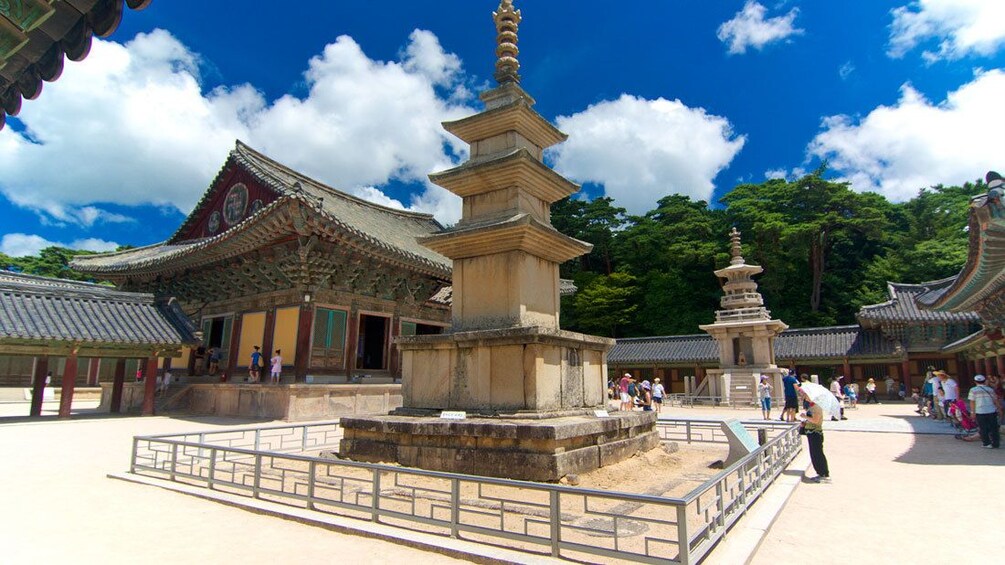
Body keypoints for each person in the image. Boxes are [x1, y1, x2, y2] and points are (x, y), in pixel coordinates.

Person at [800, 389, 830, 483]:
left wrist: (805, 417)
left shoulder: (816, 407)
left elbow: (816, 420)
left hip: (815, 432)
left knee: (818, 454)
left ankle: (823, 474)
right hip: (811, 432)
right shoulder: (811, 406)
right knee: (814, 453)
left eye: (806, 395)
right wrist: (805, 422)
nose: (805, 396)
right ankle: (820, 472)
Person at [968, 375, 1002, 448]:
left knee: (983, 428)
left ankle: (986, 443)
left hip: (980, 411)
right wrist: (999, 409)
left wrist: (972, 412)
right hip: (991, 410)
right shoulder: (990, 389)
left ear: (975, 381)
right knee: (994, 427)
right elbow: (995, 400)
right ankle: (996, 443)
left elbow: (972, 402)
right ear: (984, 381)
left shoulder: (973, 390)